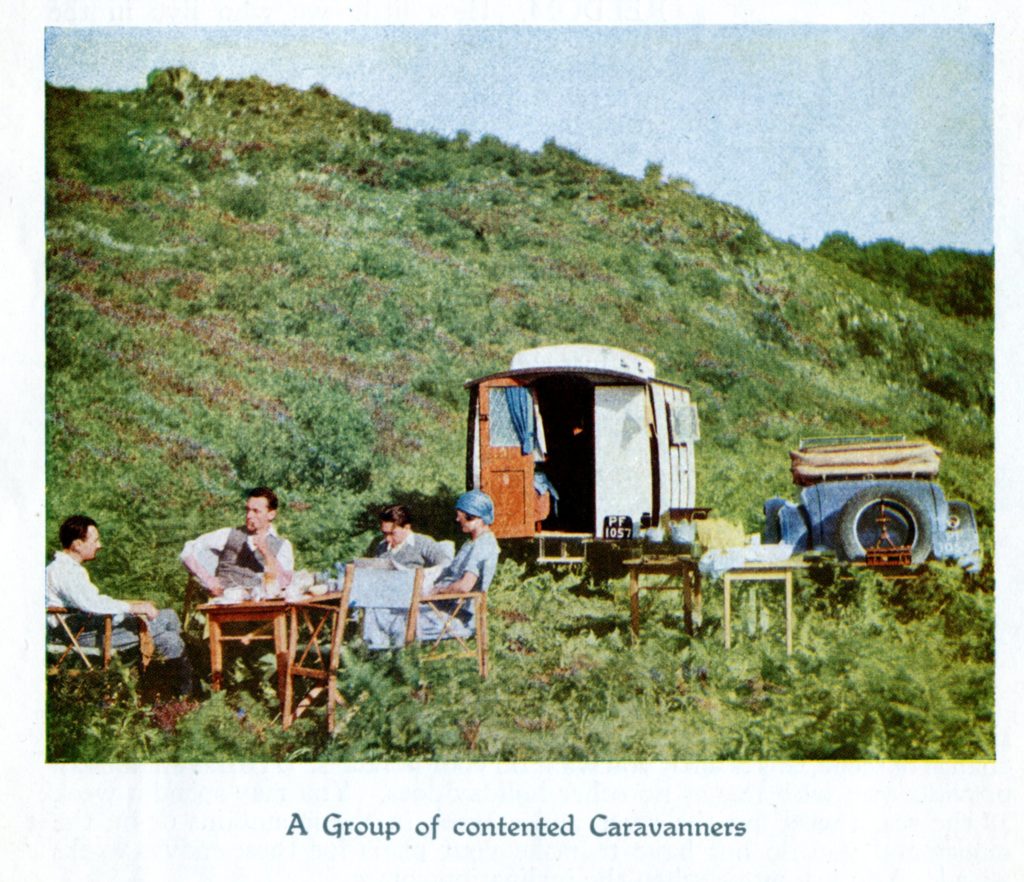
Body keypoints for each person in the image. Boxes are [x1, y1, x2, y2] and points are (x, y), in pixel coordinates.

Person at [46, 515, 192, 695]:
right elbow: (93, 603)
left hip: (88, 626)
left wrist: (133, 608)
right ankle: (181, 692)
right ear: (77, 544)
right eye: (95, 540)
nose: (99, 545)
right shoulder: (64, 571)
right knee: (168, 625)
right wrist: (134, 608)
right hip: (78, 633)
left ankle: (173, 695)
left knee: (169, 636)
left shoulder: (68, 568)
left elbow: (93, 602)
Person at [360, 504, 454, 649]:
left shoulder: (422, 543)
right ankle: (376, 651)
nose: (388, 538)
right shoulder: (381, 546)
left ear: (407, 528)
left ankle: (389, 652)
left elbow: (446, 563)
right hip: (385, 597)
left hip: (411, 598)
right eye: (384, 533)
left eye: (393, 533)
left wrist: (422, 576)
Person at [413, 490, 500, 644]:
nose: (457, 519)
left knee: (401, 616)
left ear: (473, 516)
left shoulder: (483, 546)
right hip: (447, 606)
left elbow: (464, 586)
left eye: (461, 517)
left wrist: (437, 591)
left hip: (457, 614)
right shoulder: (475, 542)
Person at [180, 487, 294, 597]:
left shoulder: (283, 545)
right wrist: (209, 581)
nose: (249, 515)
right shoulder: (227, 534)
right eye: (248, 510)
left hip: (263, 608)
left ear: (271, 514)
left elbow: (284, 583)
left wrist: (266, 552)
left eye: (256, 511)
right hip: (224, 605)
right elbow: (188, 550)